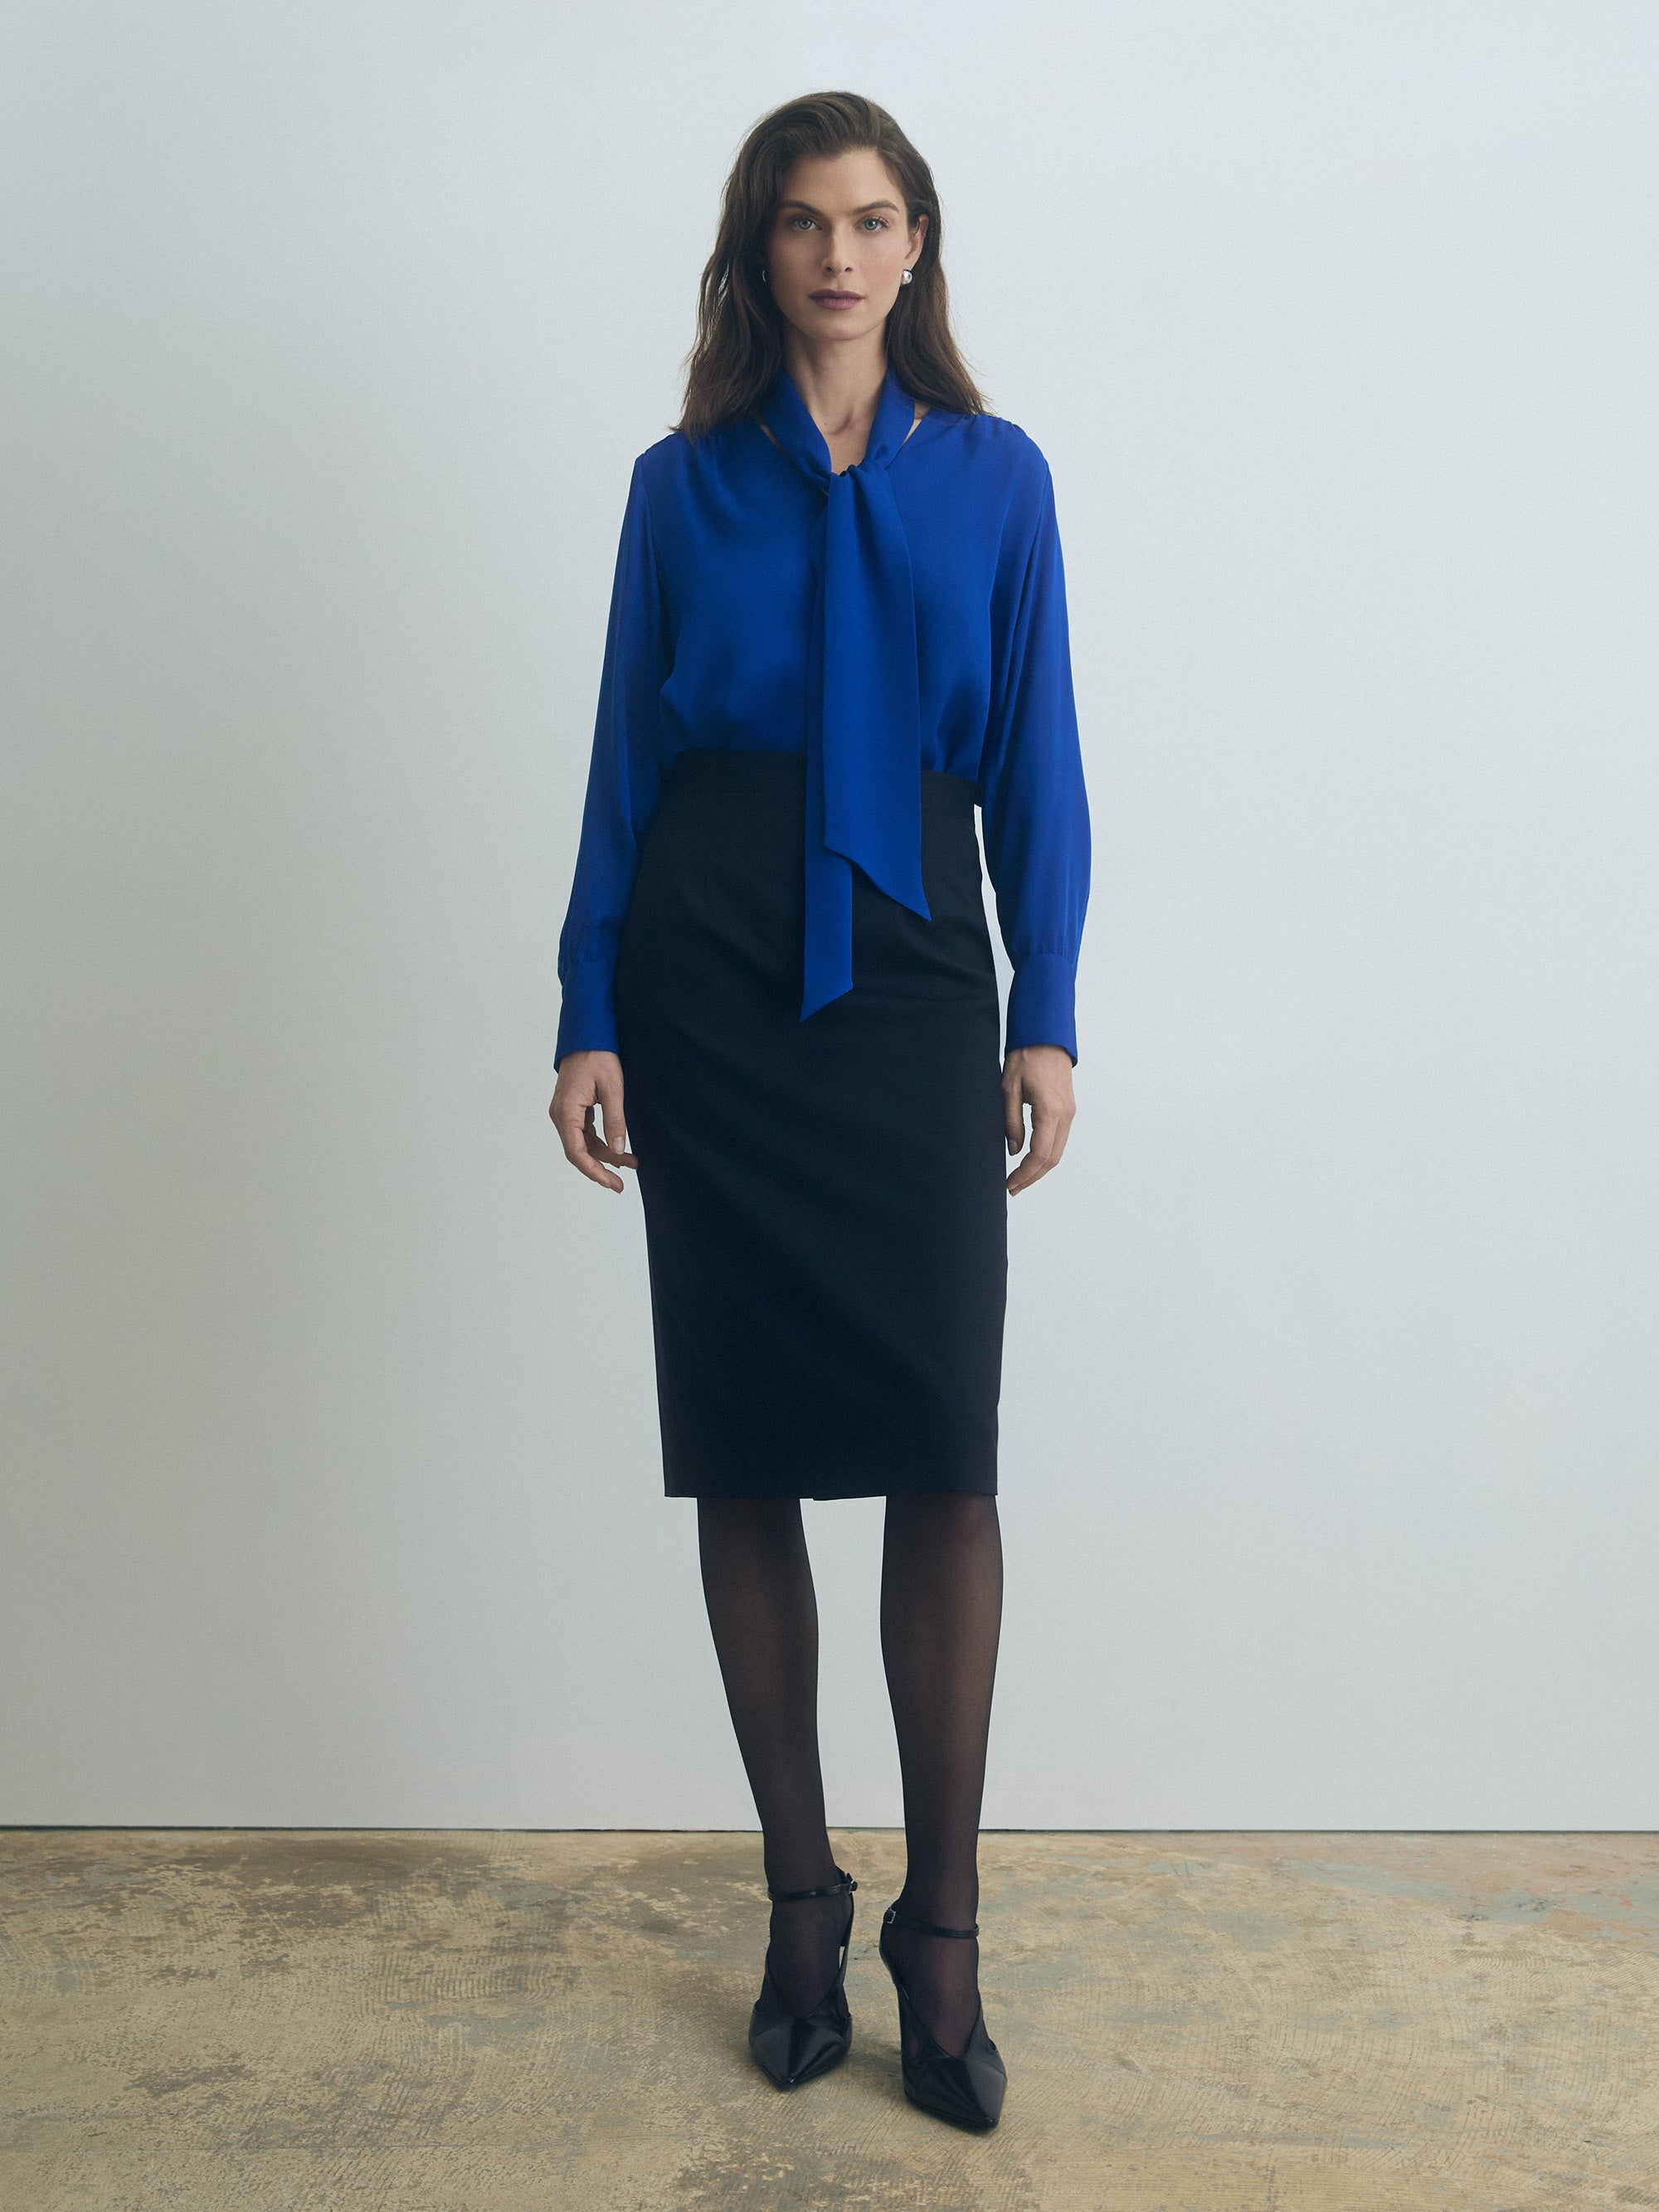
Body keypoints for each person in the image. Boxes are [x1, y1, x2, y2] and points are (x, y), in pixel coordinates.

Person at [548, 90, 1089, 2133]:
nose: (839, 256)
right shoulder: (678, 489)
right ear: (756, 254)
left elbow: (1039, 746)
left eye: (872, 220)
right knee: (749, 1455)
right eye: (801, 223)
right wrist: (589, 1002)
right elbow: (618, 756)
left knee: (948, 1449)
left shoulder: (996, 480)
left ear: (919, 247)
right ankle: (798, 1899)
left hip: (916, 964)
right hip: (708, 976)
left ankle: (934, 1933)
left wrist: (1049, 1006)